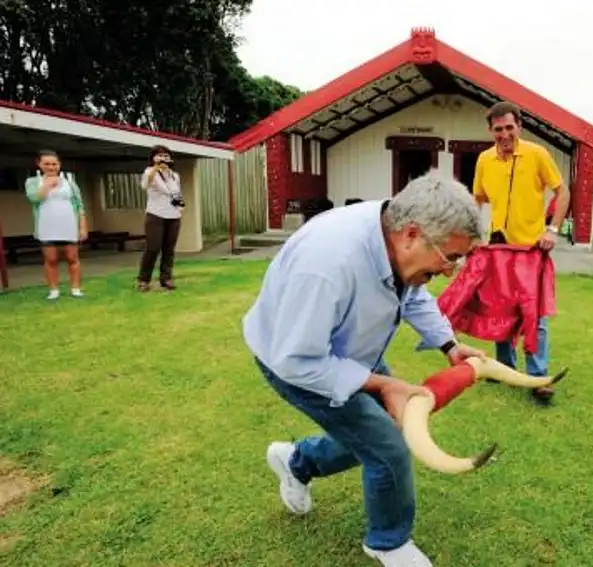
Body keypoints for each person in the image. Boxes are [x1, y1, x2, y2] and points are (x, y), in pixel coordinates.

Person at [243, 170, 486, 567]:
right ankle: (388, 543)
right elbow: (298, 360)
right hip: (296, 363)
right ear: (411, 234)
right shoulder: (326, 263)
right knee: (389, 447)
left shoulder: (393, 233)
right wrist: (383, 384)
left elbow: (413, 293)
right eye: (451, 257)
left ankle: (297, 461)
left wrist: (450, 345)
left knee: (377, 434)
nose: (450, 270)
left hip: (348, 353)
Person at [471, 100, 568, 404]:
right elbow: (477, 199)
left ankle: (538, 377)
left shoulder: (537, 154)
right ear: (490, 131)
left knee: (534, 314)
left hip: (531, 249)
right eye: (498, 129)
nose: (504, 134)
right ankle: (504, 369)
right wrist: (474, 235)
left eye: (509, 127)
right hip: (498, 246)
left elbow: (562, 191)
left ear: (519, 127)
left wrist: (551, 230)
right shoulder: (484, 160)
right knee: (500, 310)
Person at [24, 149, 88, 300]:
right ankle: (53, 290)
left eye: (54, 164)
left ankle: (75, 288)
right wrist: (47, 185)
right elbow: (34, 198)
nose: (51, 167)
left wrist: (83, 227)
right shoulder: (32, 182)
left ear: (59, 164)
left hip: (68, 225)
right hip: (46, 226)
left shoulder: (70, 184)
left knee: (72, 258)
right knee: (51, 259)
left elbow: (80, 206)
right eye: (47, 164)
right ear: (39, 164)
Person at [137, 145, 183, 292]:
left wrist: (180, 206)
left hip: (173, 215)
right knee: (153, 248)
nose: (163, 158)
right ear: (153, 158)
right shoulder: (149, 171)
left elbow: (176, 193)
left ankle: (166, 278)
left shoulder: (174, 175)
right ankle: (143, 280)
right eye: (159, 155)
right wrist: (157, 168)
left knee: (169, 249)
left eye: (165, 155)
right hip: (155, 215)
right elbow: (144, 185)